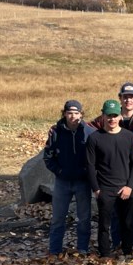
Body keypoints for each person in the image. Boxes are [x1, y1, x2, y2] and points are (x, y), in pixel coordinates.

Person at [89, 81, 133, 249]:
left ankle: (129, 250)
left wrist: (130, 186)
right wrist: (97, 189)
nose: (112, 118)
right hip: (105, 188)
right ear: (103, 116)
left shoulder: (131, 135)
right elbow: (90, 165)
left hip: (126, 186)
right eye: (108, 115)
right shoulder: (95, 137)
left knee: (129, 221)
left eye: (114, 115)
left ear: (119, 116)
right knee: (105, 224)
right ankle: (106, 252)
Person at [43, 99, 94, 256]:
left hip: (83, 182)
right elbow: (48, 157)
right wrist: (59, 171)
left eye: (76, 113)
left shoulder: (88, 132)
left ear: (81, 114)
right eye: (69, 113)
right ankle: (55, 249)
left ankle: (83, 248)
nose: (73, 116)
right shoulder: (56, 132)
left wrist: (87, 172)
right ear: (64, 114)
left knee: (84, 218)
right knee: (58, 218)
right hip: (62, 182)